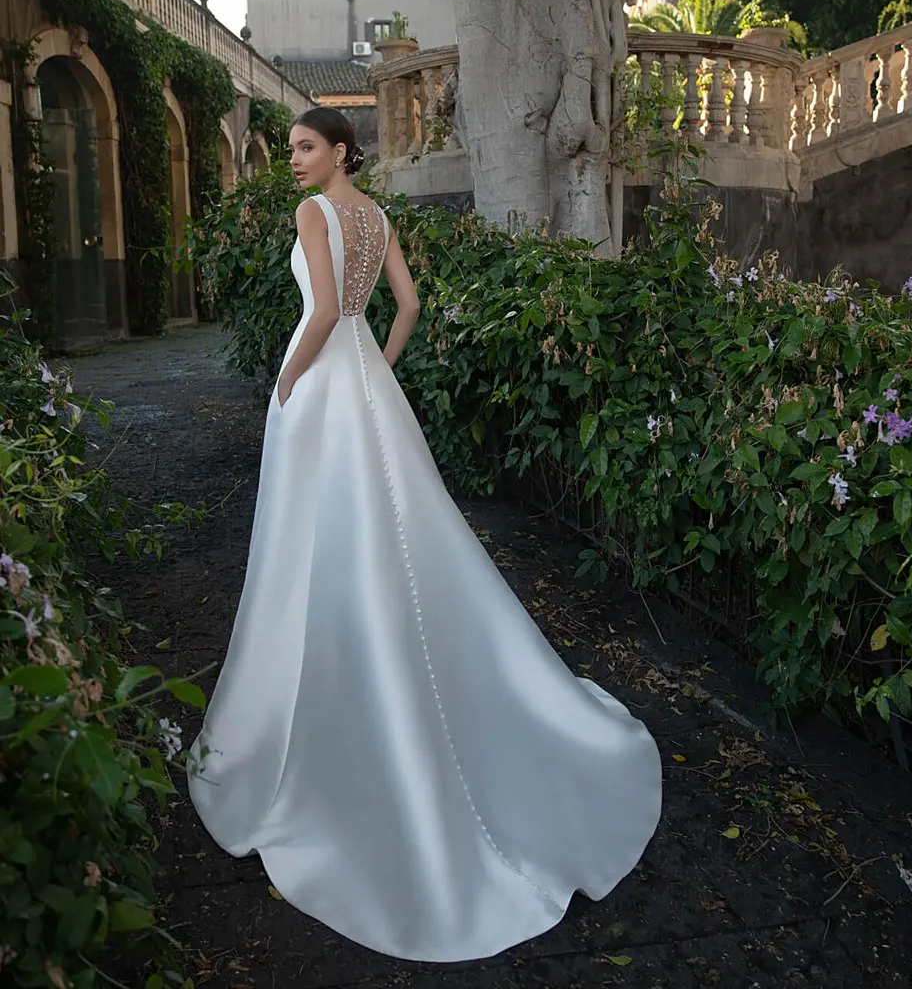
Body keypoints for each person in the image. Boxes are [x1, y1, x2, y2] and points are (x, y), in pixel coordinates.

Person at [187, 107, 662, 963]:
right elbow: (403, 305)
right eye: (291, 148)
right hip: (368, 385)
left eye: (305, 148)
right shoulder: (378, 214)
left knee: (317, 544)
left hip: (324, 384)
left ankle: (328, 696)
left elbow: (326, 310)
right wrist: (378, 374)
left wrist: (289, 380)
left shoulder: (317, 211)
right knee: (397, 531)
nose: (294, 161)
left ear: (339, 151)